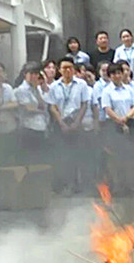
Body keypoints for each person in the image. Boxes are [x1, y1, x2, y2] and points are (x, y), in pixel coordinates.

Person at [45, 57, 92, 193]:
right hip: (60, 123)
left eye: (70, 68)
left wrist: (77, 122)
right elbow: (52, 106)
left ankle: (79, 184)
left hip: (76, 122)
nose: (67, 70)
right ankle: (64, 184)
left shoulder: (81, 84)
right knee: (62, 155)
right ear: (59, 70)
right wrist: (61, 123)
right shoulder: (54, 86)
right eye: (64, 68)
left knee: (79, 154)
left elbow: (84, 104)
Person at [15, 63, 49, 164]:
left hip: (41, 127)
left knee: (40, 159)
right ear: (25, 74)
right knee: (29, 159)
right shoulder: (20, 90)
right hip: (28, 128)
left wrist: (39, 89)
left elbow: (43, 106)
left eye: (36, 74)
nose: (34, 76)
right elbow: (29, 108)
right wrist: (39, 109)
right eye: (31, 73)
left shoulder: (38, 89)